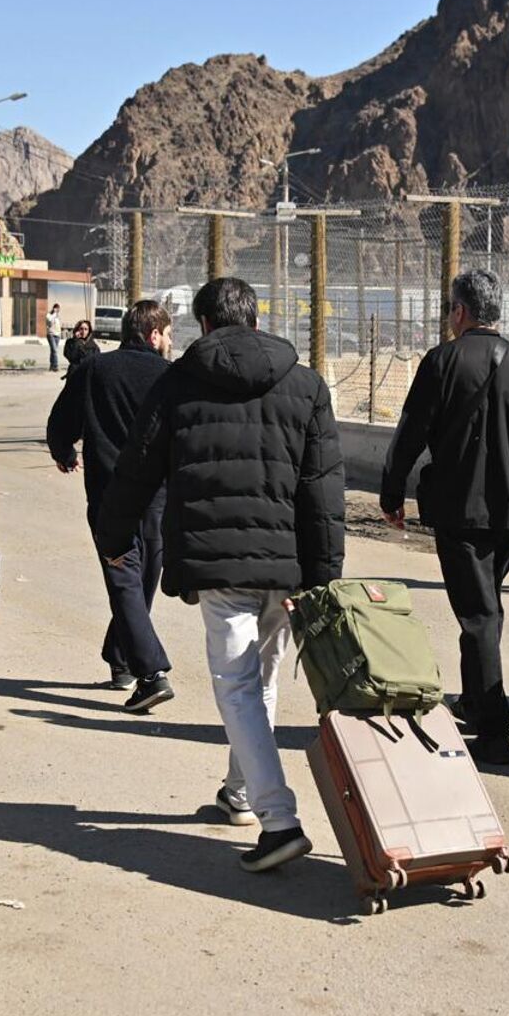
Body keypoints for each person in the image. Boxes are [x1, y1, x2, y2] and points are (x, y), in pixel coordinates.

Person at [95, 277, 344, 872]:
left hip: (218, 563)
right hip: (288, 567)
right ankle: (240, 793)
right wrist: (324, 572)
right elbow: (323, 489)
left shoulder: (177, 384)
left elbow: (137, 469)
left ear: (204, 326)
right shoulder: (306, 384)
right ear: (255, 321)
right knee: (260, 679)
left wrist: (112, 537)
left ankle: (279, 820)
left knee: (237, 685)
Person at [380, 268, 509, 768]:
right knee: (483, 610)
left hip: (459, 513)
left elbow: (411, 433)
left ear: (460, 312)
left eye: (449, 309)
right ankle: (474, 700)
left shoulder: (442, 361)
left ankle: (495, 728)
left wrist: (392, 491)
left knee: (480, 616)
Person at [47, 299, 176, 710]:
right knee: (139, 579)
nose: (170, 342)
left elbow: (61, 420)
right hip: (156, 495)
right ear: (154, 335)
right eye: (168, 334)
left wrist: (64, 451)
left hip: (108, 492)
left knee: (126, 580)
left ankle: (121, 658)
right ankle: (151, 673)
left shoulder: (93, 370)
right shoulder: (170, 377)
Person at [45, 302, 64, 372]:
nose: (58, 310)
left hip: (57, 335)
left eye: (58, 309)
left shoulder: (57, 317)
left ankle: (51, 366)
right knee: (55, 350)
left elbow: (58, 326)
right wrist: (54, 314)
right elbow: (49, 322)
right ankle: (55, 366)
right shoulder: (49, 315)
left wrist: (60, 334)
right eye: (57, 308)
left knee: (53, 351)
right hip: (51, 335)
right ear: (54, 308)